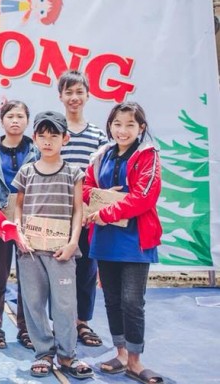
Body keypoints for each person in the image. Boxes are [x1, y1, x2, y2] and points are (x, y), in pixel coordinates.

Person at [83, 102, 163, 384]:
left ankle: (135, 360)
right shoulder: (101, 155)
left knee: (132, 301)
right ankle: (119, 353)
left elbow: (144, 197)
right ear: (110, 126)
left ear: (141, 127)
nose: (122, 130)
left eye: (130, 124)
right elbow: (84, 187)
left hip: (135, 240)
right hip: (104, 238)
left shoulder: (147, 156)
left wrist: (106, 211)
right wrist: (99, 194)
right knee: (113, 299)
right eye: (117, 124)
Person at [12, 111, 93, 379]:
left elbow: (78, 211)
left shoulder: (73, 172)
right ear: (34, 138)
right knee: (33, 302)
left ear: (65, 139)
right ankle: (43, 353)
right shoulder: (26, 172)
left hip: (62, 252)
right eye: (42, 136)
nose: (48, 141)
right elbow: (19, 208)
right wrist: (19, 235)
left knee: (65, 305)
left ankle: (68, 355)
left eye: (54, 136)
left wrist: (72, 243)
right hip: (30, 252)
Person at [0, 100, 38, 350]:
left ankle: (26, 328)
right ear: (2, 120)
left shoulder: (37, 151)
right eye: (10, 116)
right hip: (1, 221)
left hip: (29, 221)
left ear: (27, 121)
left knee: (28, 278)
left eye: (20, 116)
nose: (15, 121)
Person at [58, 70, 107, 347]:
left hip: (88, 215)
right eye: (69, 92)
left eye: (79, 92)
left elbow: (101, 177)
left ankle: (82, 323)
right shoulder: (55, 130)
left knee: (86, 269)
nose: (74, 98)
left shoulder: (98, 136)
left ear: (88, 95)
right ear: (60, 96)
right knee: (59, 269)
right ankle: (61, 322)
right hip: (57, 214)